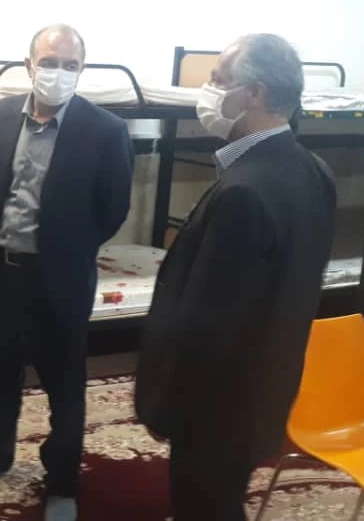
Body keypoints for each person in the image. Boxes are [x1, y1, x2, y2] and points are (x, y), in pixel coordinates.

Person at [134, 34, 337, 521]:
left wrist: (167, 407)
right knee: (224, 501)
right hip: (266, 387)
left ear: (255, 94)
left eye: (218, 80)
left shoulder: (245, 191)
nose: (207, 91)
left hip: (216, 407)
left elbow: (209, 325)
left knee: (204, 506)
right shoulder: (313, 171)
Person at [0, 24, 135, 521]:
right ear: (29, 65)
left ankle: (63, 483)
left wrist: (69, 249)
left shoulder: (106, 130)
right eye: (49, 63)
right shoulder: (0, 115)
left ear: (82, 70)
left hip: (61, 278)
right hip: (2, 272)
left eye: (70, 65)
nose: (58, 73)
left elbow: (114, 209)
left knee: (64, 384)